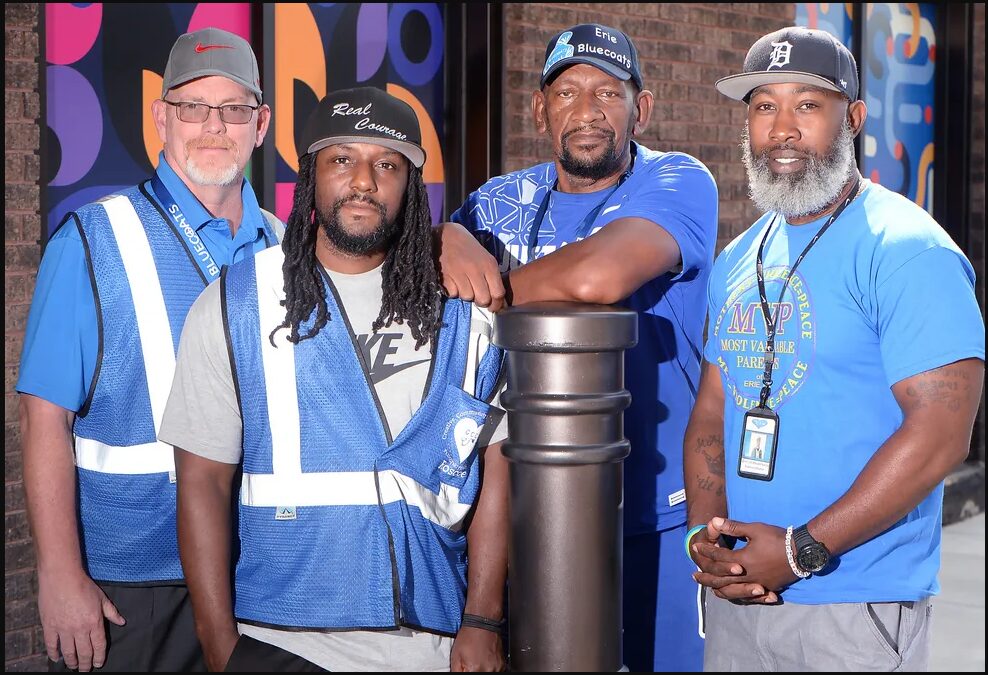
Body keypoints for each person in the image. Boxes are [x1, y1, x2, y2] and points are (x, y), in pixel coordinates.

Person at [158, 86, 510, 672]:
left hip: (433, 642)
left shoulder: (462, 315)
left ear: (411, 185)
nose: (364, 181)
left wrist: (482, 620)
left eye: (387, 164)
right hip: (282, 638)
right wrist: (219, 647)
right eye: (342, 159)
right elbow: (202, 483)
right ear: (311, 175)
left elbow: (495, 472)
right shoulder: (239, 301)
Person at [683, 26, 985, 671]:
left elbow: (940, 435)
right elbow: (711, 413)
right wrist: (708, 540)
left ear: (852, 119)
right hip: (742, 598)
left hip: (853, 605)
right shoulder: (739, 258)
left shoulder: (908, 250)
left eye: (807, 105)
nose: (782, 129)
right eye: (764, 106)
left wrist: (800, 551)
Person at [436, 23, 718, 672]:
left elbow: (599, 278)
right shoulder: (496, 204)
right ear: (540, 110)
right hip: (530, 515)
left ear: (641, 110)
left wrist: (487, 286)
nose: (587, 111)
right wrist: (442, 237)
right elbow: (428, 286)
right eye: (566, 93)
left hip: (657, 515)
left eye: (608, 93)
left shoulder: (678, 178)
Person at [16, 27, 281, 672]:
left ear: (261, 124)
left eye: (233, 109)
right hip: (134, 586)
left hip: (261, 574)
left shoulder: (287, 247)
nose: (213, 125)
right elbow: (41, 418)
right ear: (161, 118)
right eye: (192, 107)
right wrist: (59, 573)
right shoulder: (92, 239)